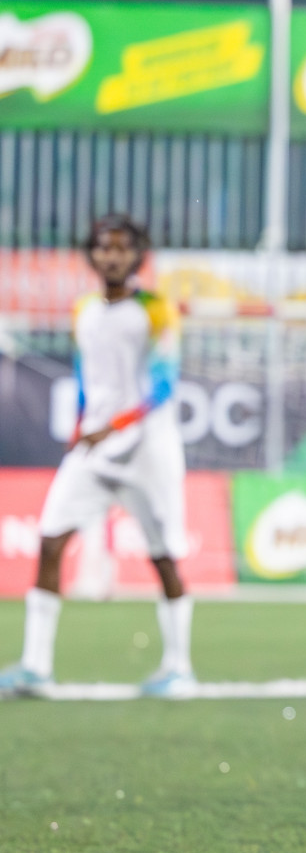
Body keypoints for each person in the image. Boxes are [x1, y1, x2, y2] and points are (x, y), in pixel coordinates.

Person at [0, 214, 195, 699]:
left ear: (138, 254)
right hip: (91, 446)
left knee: (163, 555)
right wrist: (85, 422)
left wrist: (112, 426)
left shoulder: (156, 310)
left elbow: (164, 384)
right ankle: (35, 667)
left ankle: (179, 668)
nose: (112, 255)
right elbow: (90, 377)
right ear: (91, 254)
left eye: (122, 247)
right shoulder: (84, 309)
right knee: (49, 542)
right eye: (103, 247)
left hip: (147, 449)